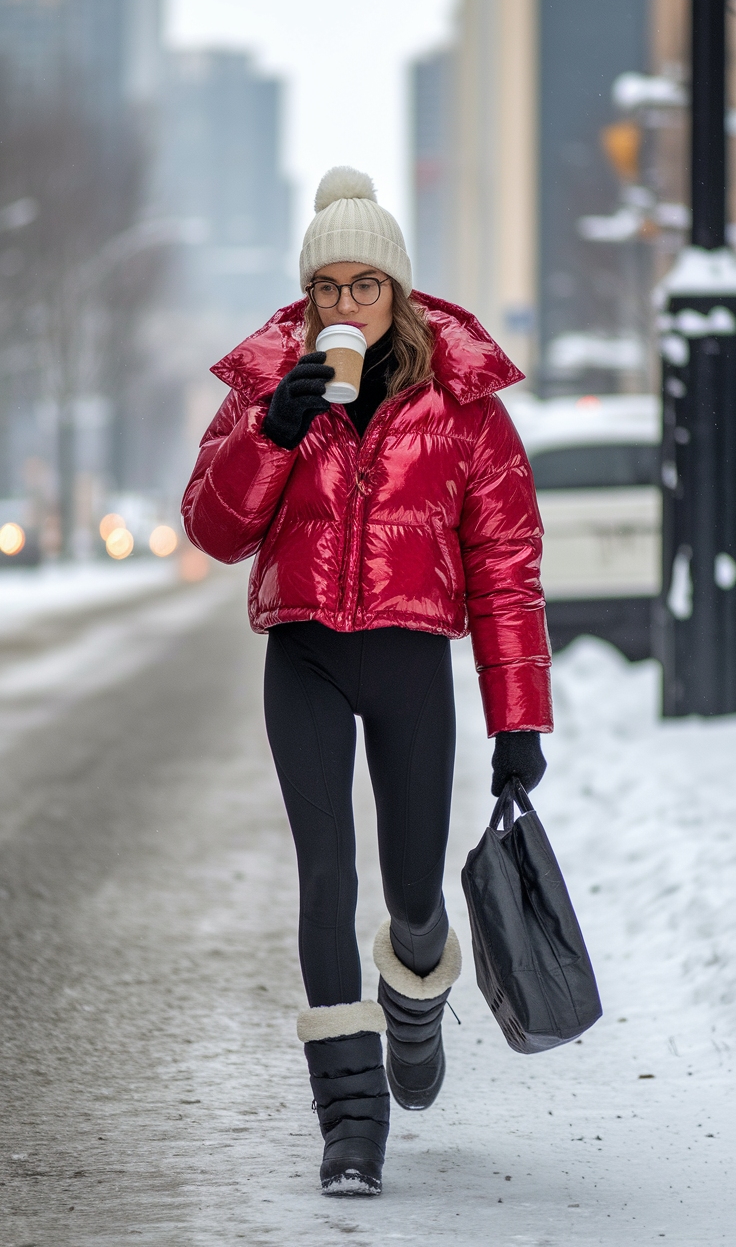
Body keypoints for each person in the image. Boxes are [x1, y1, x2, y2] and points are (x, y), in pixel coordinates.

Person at [182, 166, 552, 1197]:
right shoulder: (267, 387)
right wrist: (270, 435)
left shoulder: (462, 402)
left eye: (364, 285)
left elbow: (507, 562)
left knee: (414, 892)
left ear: (395, 288)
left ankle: (417, 1003)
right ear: (308, 297)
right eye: (326, 288)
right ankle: (351, 1127)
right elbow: (213, 531)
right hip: (301, 650)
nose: (344, 306)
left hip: (409, 657)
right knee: (324, 878)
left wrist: (517, 719)